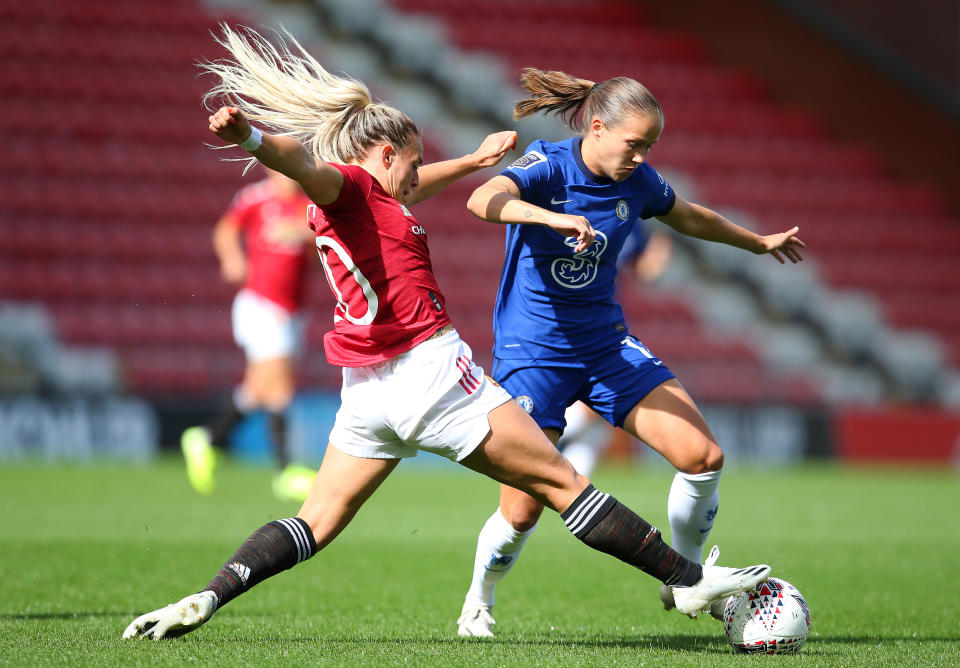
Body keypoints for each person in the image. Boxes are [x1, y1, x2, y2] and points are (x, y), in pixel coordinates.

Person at [121, 27, 771, 641]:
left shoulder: (371, 203)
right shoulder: (344, 187)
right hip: (431, 374)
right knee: (564, 485)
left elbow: (406, 190)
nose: (417, 175)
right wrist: (255, 139)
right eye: (414, 161)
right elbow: (308, 168)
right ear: (382, 156)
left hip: (367, 397)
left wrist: (471, 160)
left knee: (312, 523)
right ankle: (688, 582)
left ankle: (210, 594)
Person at [456, 68, 804, 638]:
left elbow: (688, 214)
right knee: (521, 511)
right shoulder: (547, 165)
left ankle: (685, 579)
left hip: (605, 345)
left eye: (651, 146)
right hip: (533, 354)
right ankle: (479, 599)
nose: (642, 157)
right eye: (635, 143)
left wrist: (757, 241)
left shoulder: (636, 181)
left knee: (703, 456)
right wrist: (550, 216)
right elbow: (481, 197)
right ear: (596, 128)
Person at [180, 166, 317, 502]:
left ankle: (207, 439)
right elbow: (226, 230)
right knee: (280, 386)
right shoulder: (256, 198)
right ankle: (285, 471)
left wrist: (305, 235)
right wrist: (233, 259)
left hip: (292, 309)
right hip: (262, 304)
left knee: (257, 389)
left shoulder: (307, 205)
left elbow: (321, 251)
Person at [559, 223, 673, 476]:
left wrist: (659, 252)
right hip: (570, 321)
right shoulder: (568, 203)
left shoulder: (629, 217)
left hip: (608, 324)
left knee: (599, 419)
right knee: (595, 408)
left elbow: (645, 272)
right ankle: (524, 436)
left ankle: (570, 491)